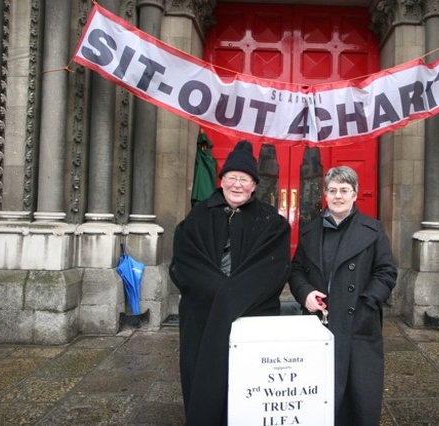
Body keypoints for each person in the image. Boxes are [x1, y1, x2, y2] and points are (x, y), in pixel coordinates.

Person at [169, 140, 291, 426]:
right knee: (204, 375)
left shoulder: (271, 221)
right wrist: (219, 292)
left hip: (250, 312)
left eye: (244, 179)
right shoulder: (198, 217)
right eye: (231, 177)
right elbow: (185, 263)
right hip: (204, 312)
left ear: (253, 185)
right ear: (221, 180)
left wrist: (232, 296)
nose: (237, 184)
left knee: (246, 381)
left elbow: (271, 269)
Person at [289, 165, 397, 426]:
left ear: (355, 194)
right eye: (333, 190)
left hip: (358, 324)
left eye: (344, 190)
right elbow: (295, 270)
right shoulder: (310, 231)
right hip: (319, 324)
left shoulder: (372, 230)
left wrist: (367, 302)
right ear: (325, 194)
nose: (338, 196)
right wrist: (304, 294)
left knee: (358, 396)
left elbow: (386, 272)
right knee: (321, 393)